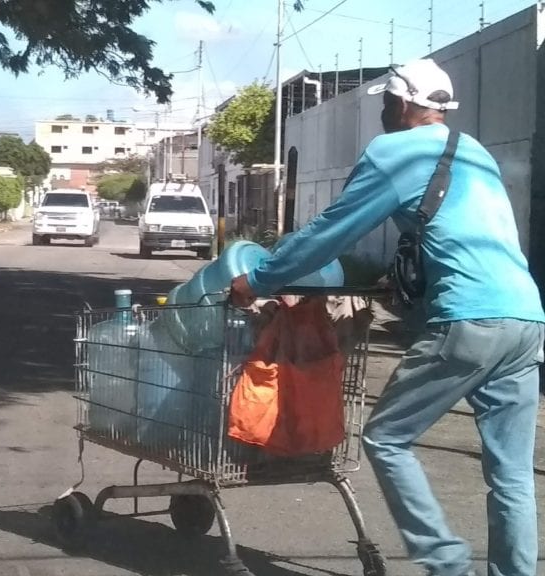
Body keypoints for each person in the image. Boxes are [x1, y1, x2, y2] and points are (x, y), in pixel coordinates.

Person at [228, 58, 544, 576]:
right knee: (511, 473)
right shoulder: (475, 150)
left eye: (383, 104)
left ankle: (447, 565)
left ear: (401, 103)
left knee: (386, 437)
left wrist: (259, 279)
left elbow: (333, 230)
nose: (380, 113)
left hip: (470, 318)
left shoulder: (395, 151)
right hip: (526, 317)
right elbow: (465, 234)